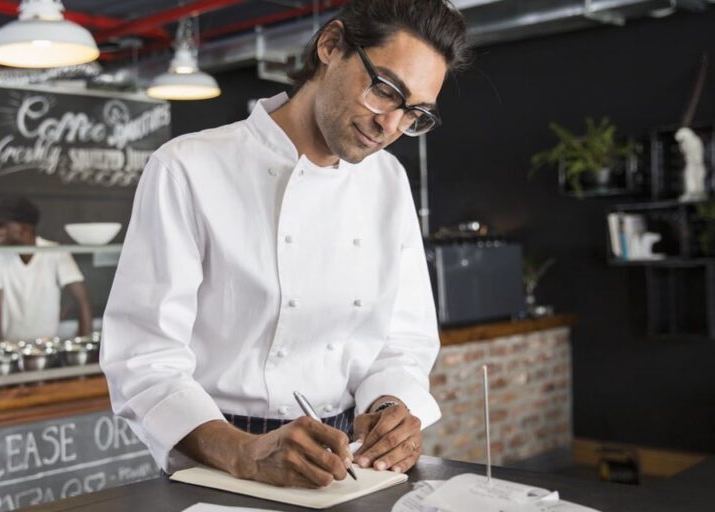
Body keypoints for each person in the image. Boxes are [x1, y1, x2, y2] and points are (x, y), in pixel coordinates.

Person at [102, 0, 468, 488]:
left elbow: (401, 339)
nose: (389, 126)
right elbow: (144, 359)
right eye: (384, 90)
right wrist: (245, 454)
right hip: (218, 459)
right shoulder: (188, 167)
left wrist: (388, 406)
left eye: (413, 112)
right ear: (331, 46)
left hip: (346, 465)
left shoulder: (387, 180)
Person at [0, 197, 93, 341]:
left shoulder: (55, 252)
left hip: (48, 349)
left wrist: (84, 344)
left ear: (24, 228)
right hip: (11, 349)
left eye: (2, 225)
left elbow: (82, 301)